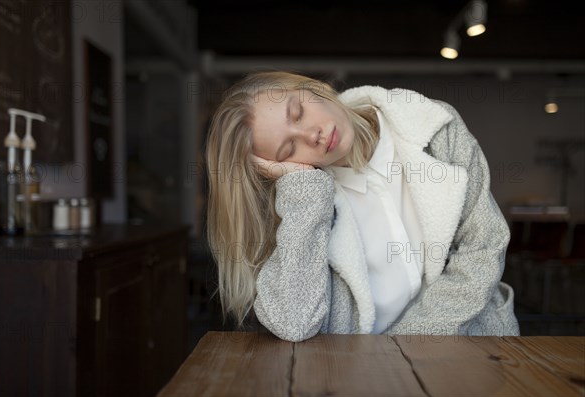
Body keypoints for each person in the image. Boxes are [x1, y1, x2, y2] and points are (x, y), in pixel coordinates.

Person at [206, 71, 520, 342]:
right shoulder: (296, 209)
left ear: (314, 87)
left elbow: (485, 245)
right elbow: (293, 323)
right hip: (361, 377)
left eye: (298, 112)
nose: (311, 135)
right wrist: (304, 192)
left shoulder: (434, 126)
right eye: (289, 148)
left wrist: (405, 347)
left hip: (472, 350)